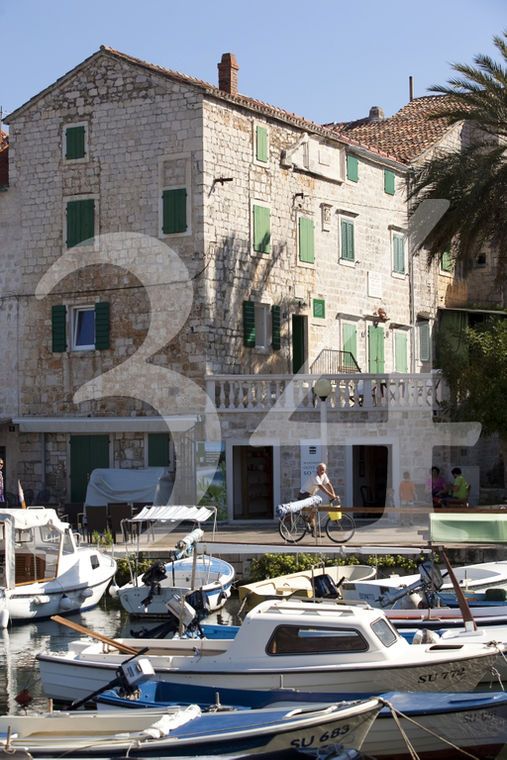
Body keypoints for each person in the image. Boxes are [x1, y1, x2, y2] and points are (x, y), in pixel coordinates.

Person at [298, 463, 337, 535]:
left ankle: (313, 531)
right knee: (314, 508)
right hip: (304, 494)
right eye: (320, 469)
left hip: (311, 494)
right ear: (317, 469)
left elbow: (328, 484)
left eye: (323, 470)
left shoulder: (324, 475)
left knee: (314, 511)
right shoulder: (314, 476)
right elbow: (321, 487)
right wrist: (331, 495)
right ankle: (308, 521)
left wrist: (333, 494)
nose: (322, 471)